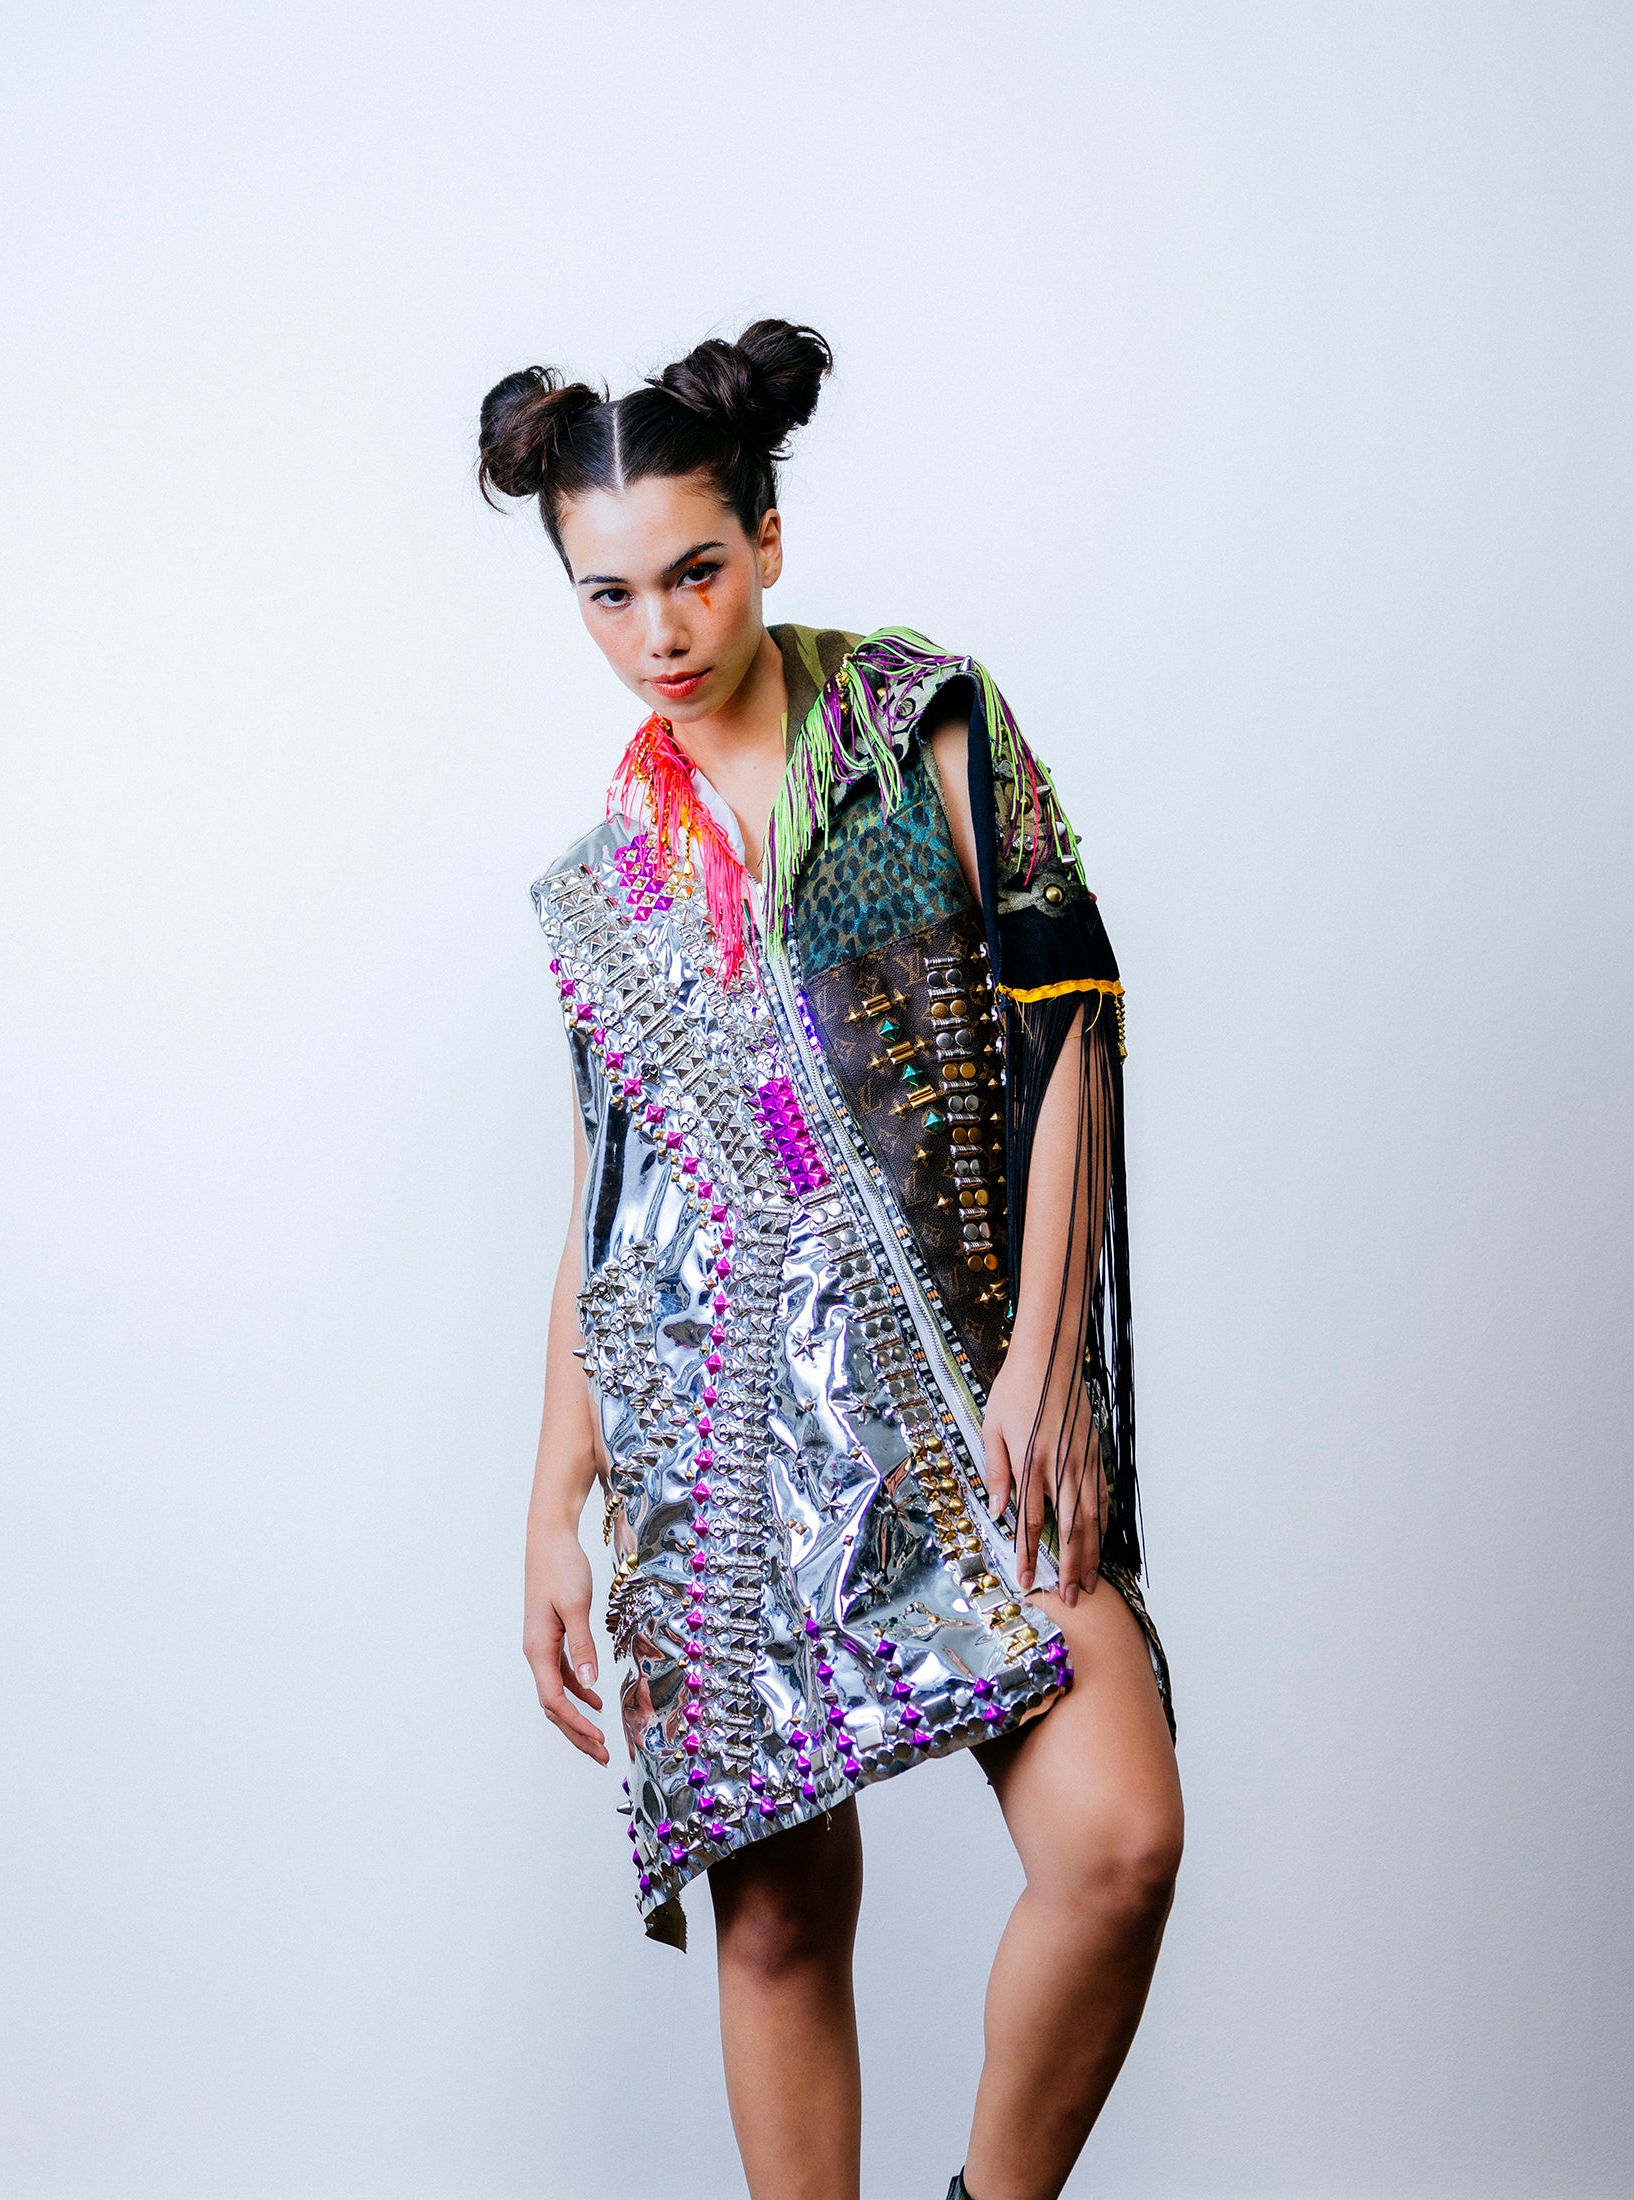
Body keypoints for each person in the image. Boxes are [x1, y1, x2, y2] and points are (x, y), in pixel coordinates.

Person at [480, 319, 1182, 2200]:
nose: (661, 630)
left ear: (769, 540)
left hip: (962, 1396)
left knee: (1116, 1844)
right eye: (610, 594)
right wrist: (552, 1502)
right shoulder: (607, 884)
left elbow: (1070, 1020)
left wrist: (1044, 1361)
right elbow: (604, 1202)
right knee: (781, 1928)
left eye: (697, 571)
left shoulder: (927, 722)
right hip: (724, 1451)